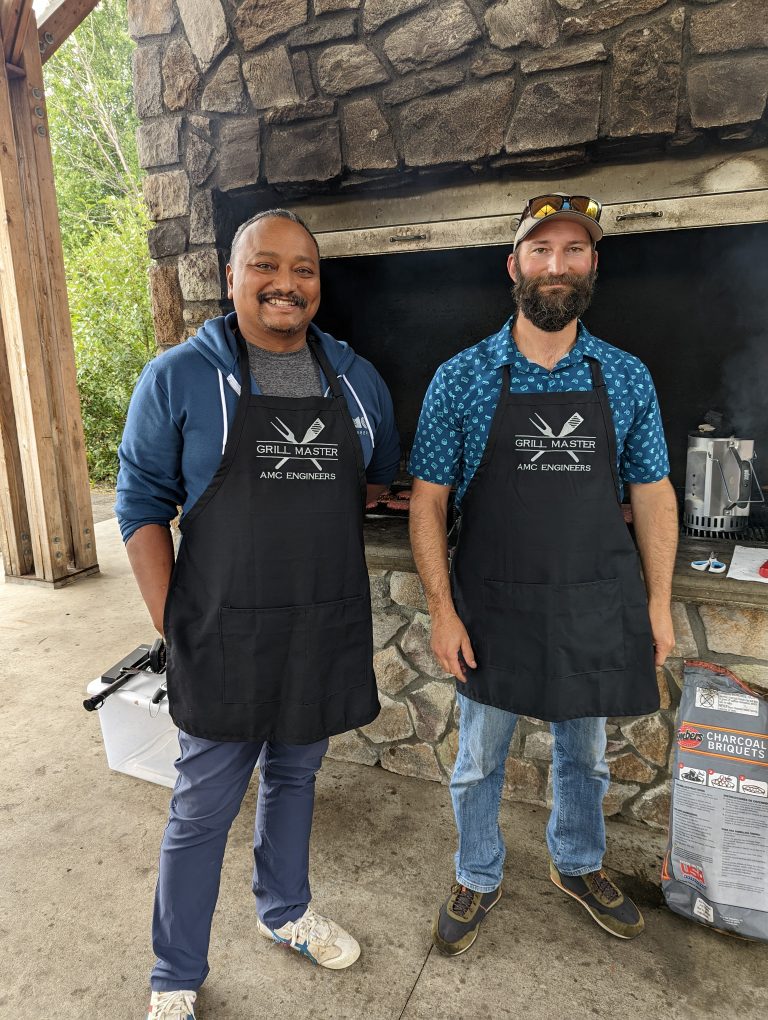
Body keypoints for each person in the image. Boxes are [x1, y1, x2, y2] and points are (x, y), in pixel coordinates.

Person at [116, 209, 399, 1019]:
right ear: (232, 278)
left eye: (303, 270)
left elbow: (374, 482)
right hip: (221, 630)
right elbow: (139, 506)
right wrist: (176, 623)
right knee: (202, 805)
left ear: (318, 283)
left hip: (318, 626)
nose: (286, 283)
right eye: (265, 267)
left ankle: (285, 911)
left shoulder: (354, 377)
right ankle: (174, 974)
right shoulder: (177, 377)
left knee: (297, 776)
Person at [408, 193, 678, 956]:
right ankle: (477, 871)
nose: (556, 265)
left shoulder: (624, 377)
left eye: (574, 250)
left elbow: (653, 493)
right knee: (478, 759)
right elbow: (427, 503)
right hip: (490, 607)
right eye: (540, 249)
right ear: (513, 266)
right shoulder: (461, 378)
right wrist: (440, 608)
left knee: (584, 755)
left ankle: (579, 863)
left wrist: (659, 603)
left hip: (593, 600)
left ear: (592, 265)